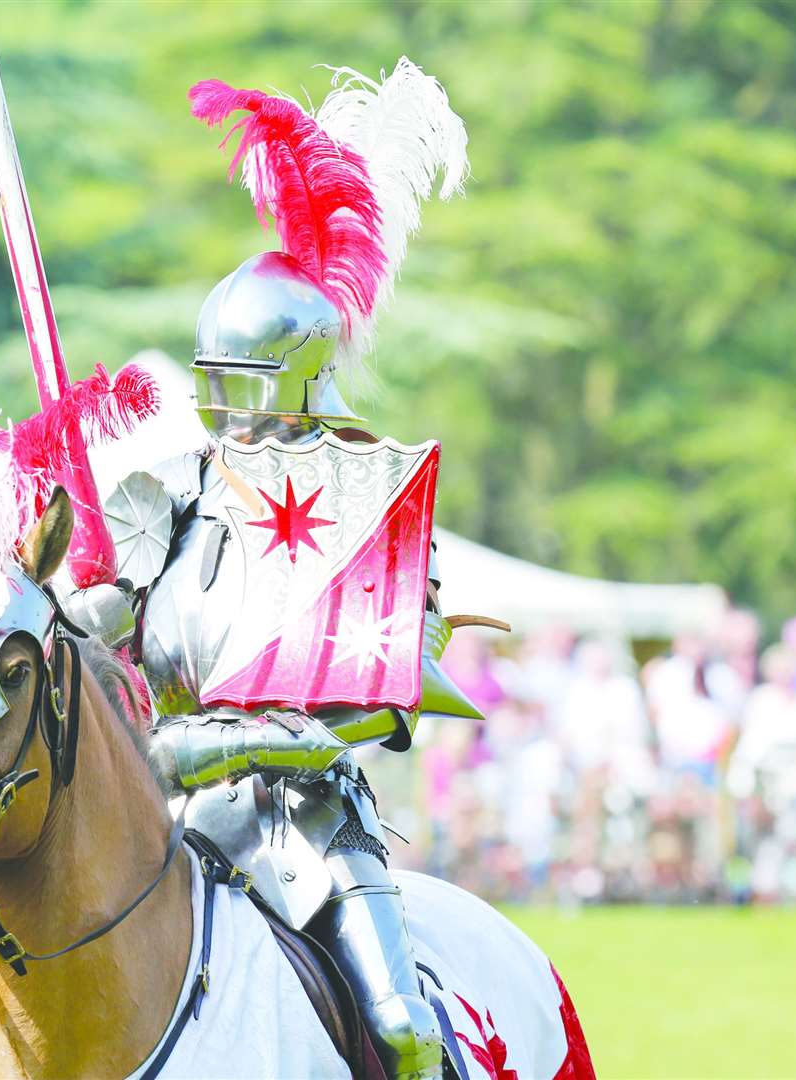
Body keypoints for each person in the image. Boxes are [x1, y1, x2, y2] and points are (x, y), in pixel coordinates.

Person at [94, 60, 473, 1078]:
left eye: (247, 382)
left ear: (302, 377)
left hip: (306, 826)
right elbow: (99, 631)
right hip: (162, 826)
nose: (227, 406)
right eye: (215, 381)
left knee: (400, 1026)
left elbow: (389, 699)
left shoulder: (370, 513)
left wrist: (236, 741)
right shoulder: (164, 492)